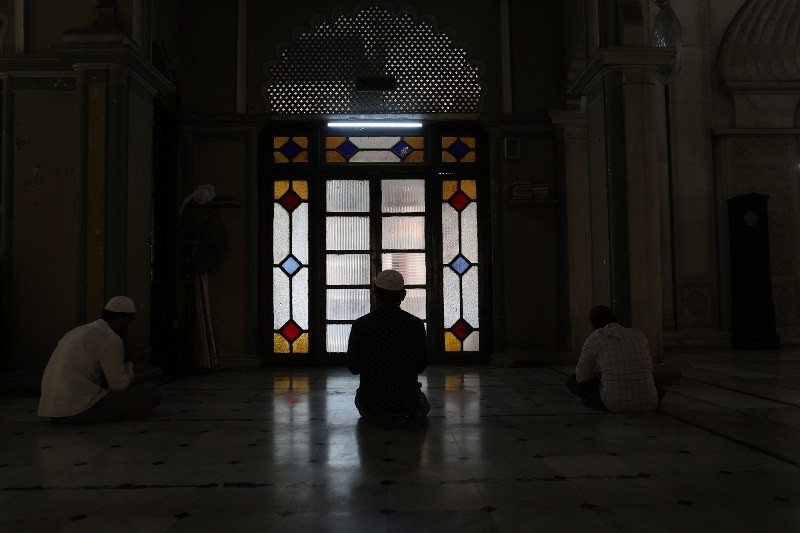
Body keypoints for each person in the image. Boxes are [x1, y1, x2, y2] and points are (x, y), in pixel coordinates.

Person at [38, 296, 162, 424]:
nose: (127, 328)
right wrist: (131, 360)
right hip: (78, 410)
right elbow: (119, 385)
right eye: (128, 323)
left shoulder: (78, 331)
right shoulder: (111, 338)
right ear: (120, 319)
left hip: (52, 410)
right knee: (152, 392)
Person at [346, 269, 430, 421]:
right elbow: (420, 366)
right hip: (407, 404)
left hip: (371, 406)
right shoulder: (415, 325)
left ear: (375, 293)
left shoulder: (361, 325)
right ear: (403, 295)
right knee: (423, 404)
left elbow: (353, 367)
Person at [567, 305, 661, 412]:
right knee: (656, 386)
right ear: (615, 318)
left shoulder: (594, 339)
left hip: (614, 403)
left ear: (593, 324)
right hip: (650, 402)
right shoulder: (639, 334)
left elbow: (581, 377)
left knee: (572, 381)